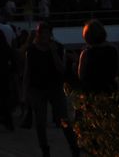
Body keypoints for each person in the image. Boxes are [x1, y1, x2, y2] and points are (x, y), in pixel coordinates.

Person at [23, 23, 79, 157]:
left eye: (47, 33)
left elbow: (61, 69)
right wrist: (25, 92)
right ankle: (45, 150)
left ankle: (74, 148)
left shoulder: (58, 48)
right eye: (42, 33)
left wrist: (53, 52)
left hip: (55, 88)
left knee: (64, 119)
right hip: (37, 89)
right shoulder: (31, 50)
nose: (44, 36)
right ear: (38, 34)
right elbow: (28, 71)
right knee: (40, 122)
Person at [78, 20, 119, 94]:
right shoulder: (114, 49)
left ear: (87, 36)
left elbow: (81, 76)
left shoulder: (85, 53)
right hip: (109, 89)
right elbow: (117, 70)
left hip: (92, 91)